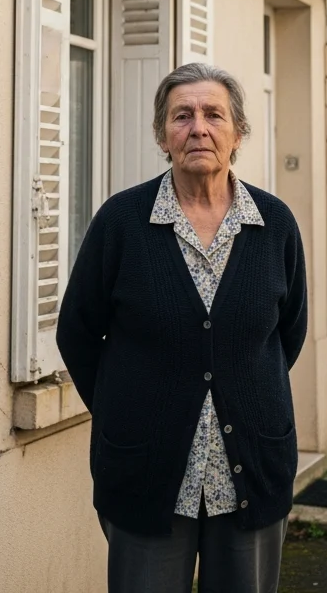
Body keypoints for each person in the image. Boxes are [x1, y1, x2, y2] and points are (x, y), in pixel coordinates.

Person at [57, 62, 308, 593]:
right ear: (162, 134)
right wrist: (123, 411)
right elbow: (77, 332)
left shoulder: (275, 225)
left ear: (237, 132)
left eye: (214, 114)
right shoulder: (122, 222)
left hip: (253, 468)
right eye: (182, 116)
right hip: (147, 472)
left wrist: (238, 381)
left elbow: (287, 333)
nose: (199, 128)